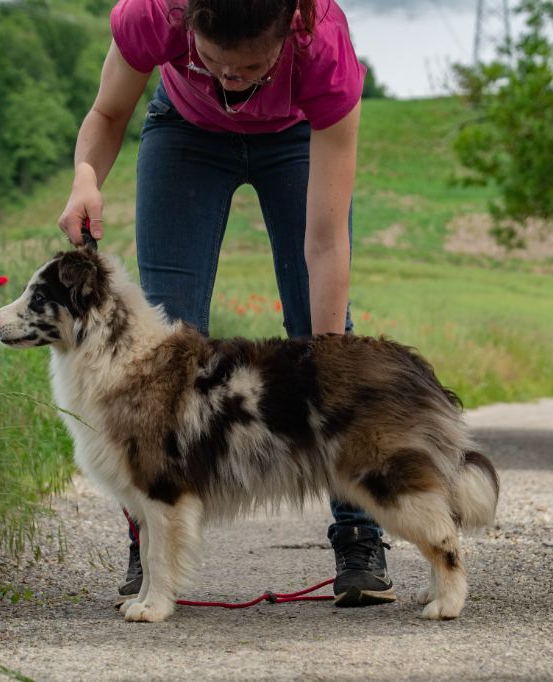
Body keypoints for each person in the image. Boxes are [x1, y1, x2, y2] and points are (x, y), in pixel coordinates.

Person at [57, 0, 395, 608]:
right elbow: (108, 113)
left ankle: (358, 534)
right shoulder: (153, 14)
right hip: (185, 136)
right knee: (161, 348)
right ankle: (151, 543)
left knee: (324, 339)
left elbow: (324, 242)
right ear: (188, 25)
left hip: (294, 138)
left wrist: (326, 360)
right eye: (211, 63)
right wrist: (86, 177)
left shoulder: (323, 48)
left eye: (248, 70)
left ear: (288, 35)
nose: (226, 82)